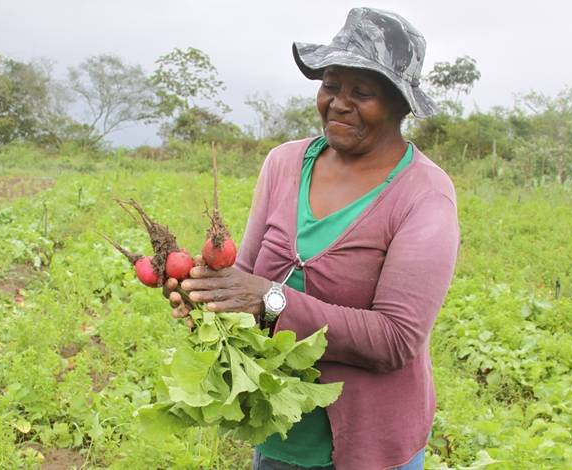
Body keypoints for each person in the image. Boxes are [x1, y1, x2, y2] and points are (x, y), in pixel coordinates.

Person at [166, 8, 459, 470]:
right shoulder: (284, 163)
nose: (339, 103)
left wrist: (270, 300)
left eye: (362, 92)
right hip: (278, 429)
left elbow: (396, 339)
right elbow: (249, 279)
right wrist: (207, 296)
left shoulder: (424, 195)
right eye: (330, 85)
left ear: (401, 105)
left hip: (368, 444)